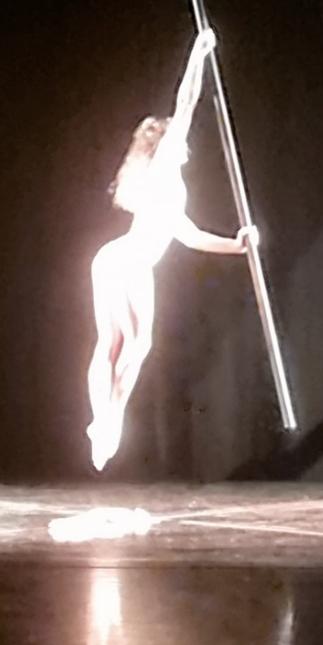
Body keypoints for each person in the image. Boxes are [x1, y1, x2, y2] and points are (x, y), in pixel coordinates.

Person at [86, 27, 257, 471]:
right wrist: (199, 52)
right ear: (166, 144)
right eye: (178, 138)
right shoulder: (164, 168)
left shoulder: (164, 191)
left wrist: (236, 246)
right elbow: (187, 101)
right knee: (137, 344)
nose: (186, 143)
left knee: (111, 342)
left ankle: (102, 421)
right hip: (131, 261)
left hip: (112, 257)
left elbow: (191, 236)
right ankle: (110, 420)